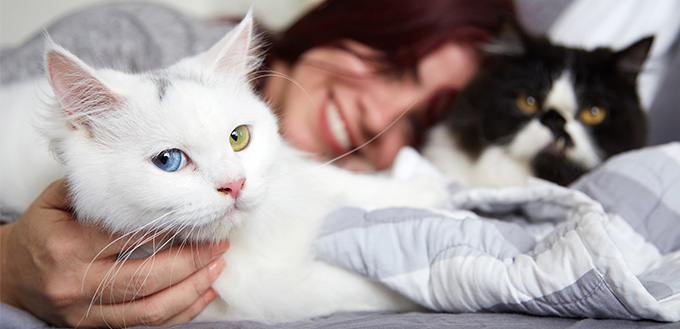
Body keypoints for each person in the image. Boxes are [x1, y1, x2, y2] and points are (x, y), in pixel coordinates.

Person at [0, 0, 513, 327]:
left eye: (418, 117)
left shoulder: (386, 172)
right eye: (393, 63)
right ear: (354, 14)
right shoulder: (136, 37)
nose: (377, 114)